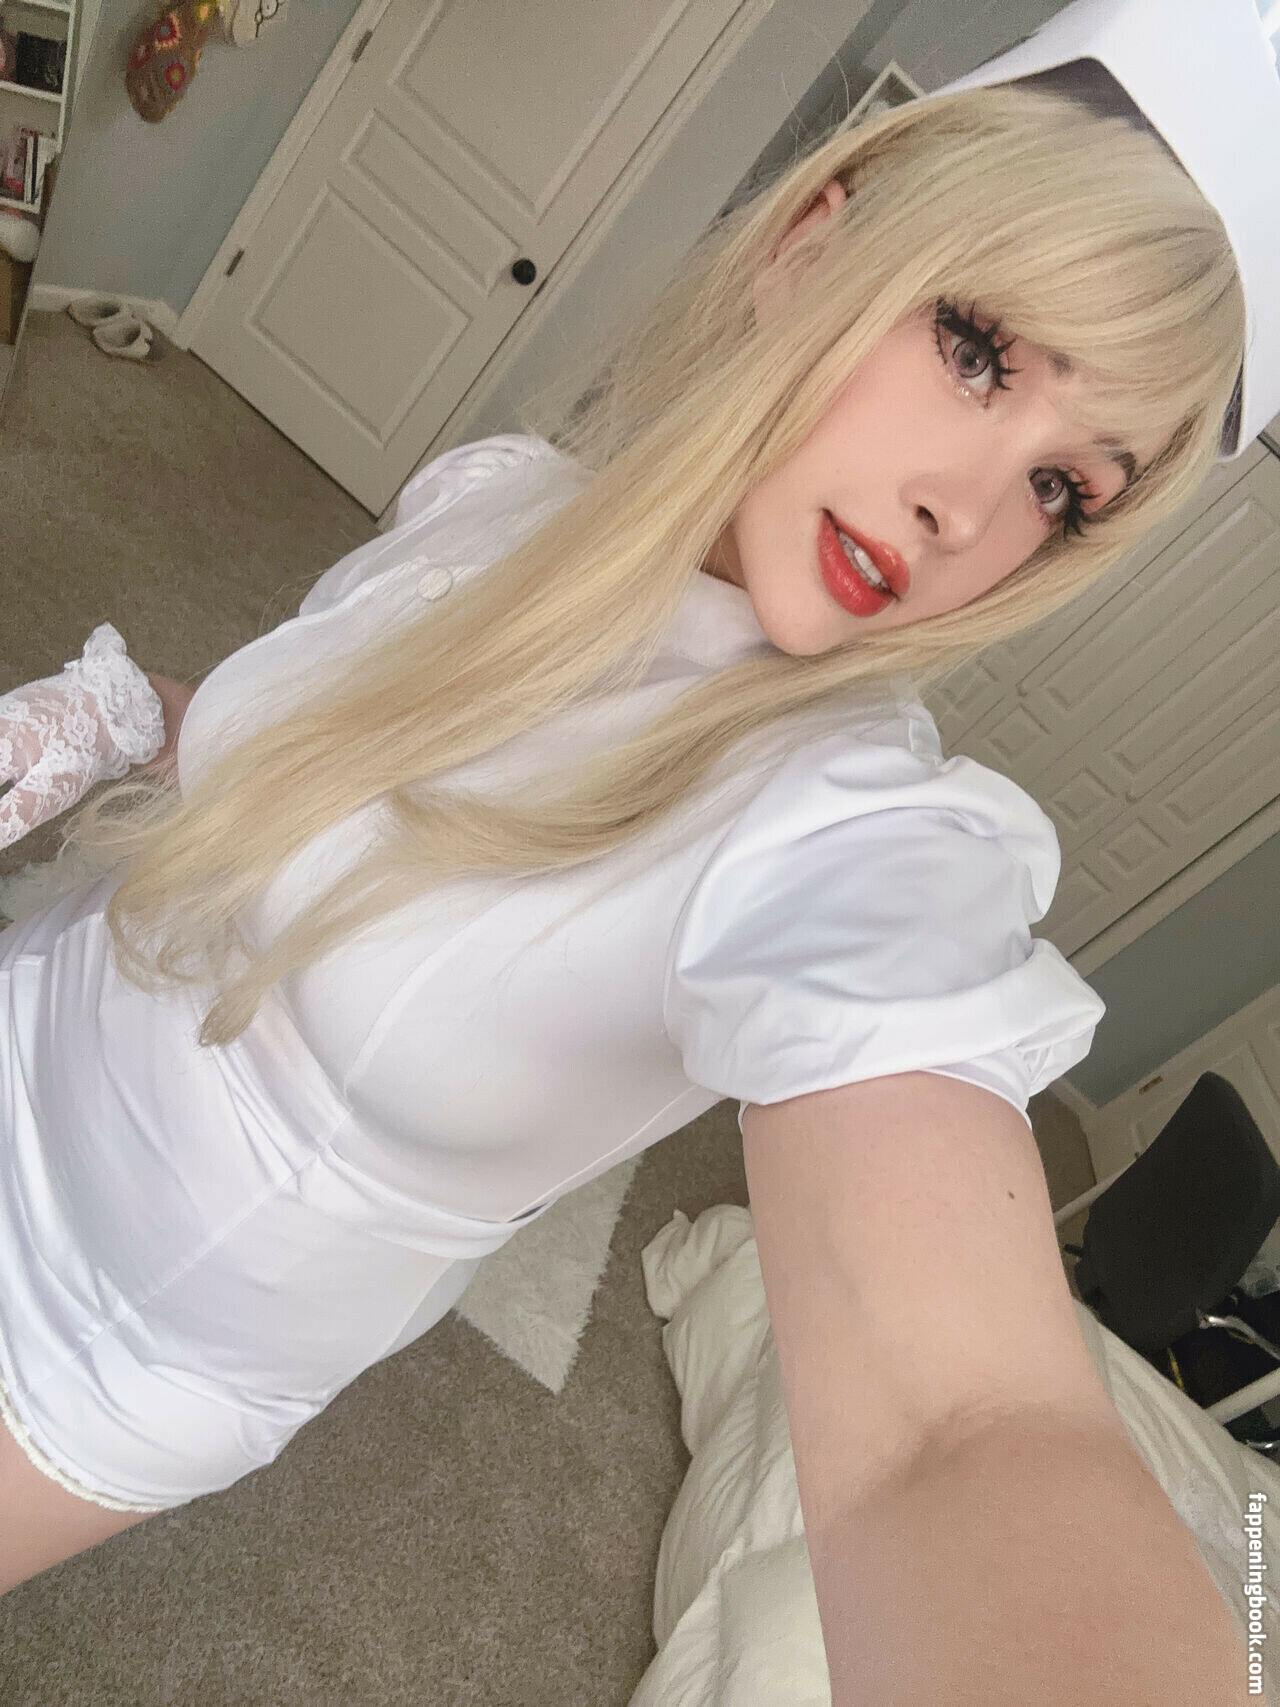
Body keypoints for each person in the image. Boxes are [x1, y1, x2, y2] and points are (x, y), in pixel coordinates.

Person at [0, 1, 1274, 1697]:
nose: (969, 510)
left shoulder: (849, 834)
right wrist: (113, 720)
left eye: (1065, 488)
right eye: (979, 347)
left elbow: (959, 1432)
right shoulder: (500, 501)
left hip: (84, 1354)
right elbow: (331, 788)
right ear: (813, 245)